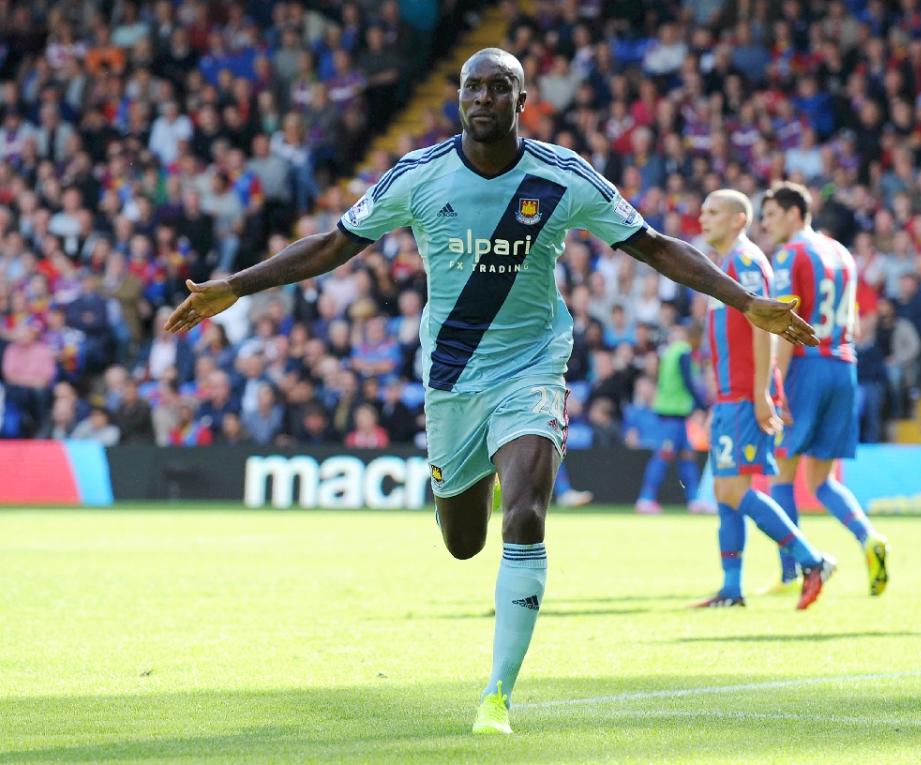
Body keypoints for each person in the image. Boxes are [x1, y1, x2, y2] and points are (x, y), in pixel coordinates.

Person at [164, 48, 816, 735]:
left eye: (497, 87)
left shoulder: (563, 176)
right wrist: (232, 288)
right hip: (450, 380)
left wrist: (745, 301)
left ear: (521, 100)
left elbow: (652, 244)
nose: (481, 97)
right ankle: (469, 497)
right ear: (459, 99)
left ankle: (497, 695)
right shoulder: (418, 175)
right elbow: (333, 244)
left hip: (533, 367)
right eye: (472, 86)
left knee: (527, 513)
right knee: (463, 540)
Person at [695, 189, 835, 610]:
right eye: (703, 210)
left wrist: (760, 393)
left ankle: (812, 560)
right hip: (729, 396)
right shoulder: (723, 266)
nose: (704, 218)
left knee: (735, 489)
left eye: (714, 211)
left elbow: (762, 327)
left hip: (745, 393)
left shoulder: (747, 262)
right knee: (724, 489)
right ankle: (731, 589)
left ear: (739, 219)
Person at [762, 181, 889, 598]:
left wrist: (774, 382)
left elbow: (786, 324)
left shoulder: (791, 254)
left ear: (796, 214)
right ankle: (869, 538)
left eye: (772, 214)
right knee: (821, 480)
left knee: (782, 469)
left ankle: (792, 573)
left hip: (807, 366)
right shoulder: (841, 253)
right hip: (844, 365)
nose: (766, 223)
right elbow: (850, 318)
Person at [633, 323, 711, 515]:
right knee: (663, 456)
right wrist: (702, 405)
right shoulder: (683, 352)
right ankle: (646, 498)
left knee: (686, 457)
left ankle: (694, 499)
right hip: (673, 414)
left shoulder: (669, 352)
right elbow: (688, 382)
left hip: (672, 413)